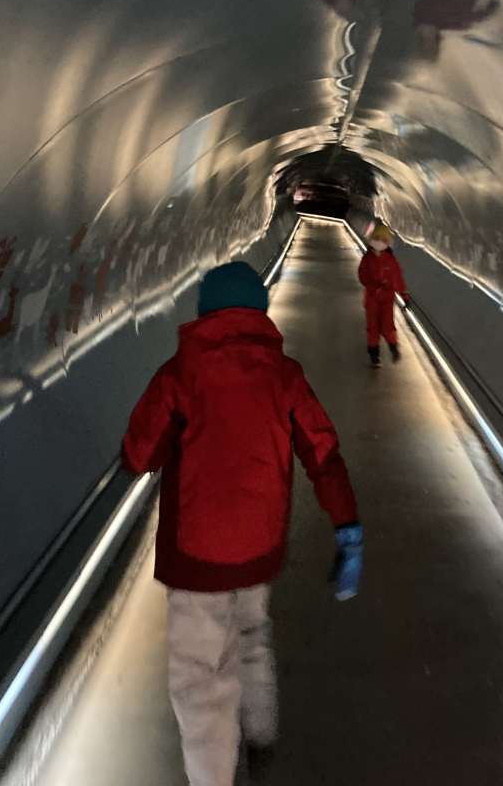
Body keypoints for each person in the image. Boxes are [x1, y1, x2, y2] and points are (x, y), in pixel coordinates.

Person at [121, 261, 362, 786]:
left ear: (205, 312)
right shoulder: (285, 376)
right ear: (260, 312)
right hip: (259, 547)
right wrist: (347, 525)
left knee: (201, 677)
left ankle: (215, 774)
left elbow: (139, 455)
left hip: (196, 556)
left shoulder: (178, 375)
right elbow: (323, 455)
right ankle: (261, 734)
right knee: (252, 632)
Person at [358, 223, 410, 367]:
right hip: (372, 299)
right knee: (373, 327)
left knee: (387, 326)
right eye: (378, 239)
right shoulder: (367, 258)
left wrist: (404, 295)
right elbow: (362, 275)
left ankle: (394, 347)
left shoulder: (390, 260)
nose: (380, 242)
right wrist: (372, 284)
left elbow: (398, 278)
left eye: (384, 240)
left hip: (387, 299)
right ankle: (374, 355)